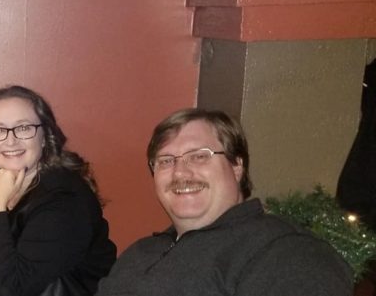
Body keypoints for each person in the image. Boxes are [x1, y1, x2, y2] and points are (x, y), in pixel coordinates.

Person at [96, 108, 353, 295]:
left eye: (199, 156)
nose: (180, 172)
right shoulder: (141, 252)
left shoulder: (284, 251)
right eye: (166, 161)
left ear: (237, 166)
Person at [0, 86, 117, 295]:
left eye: (24, 128)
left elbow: (10, 290)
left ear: (44, 136)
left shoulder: (66, 199)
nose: (10, 140)